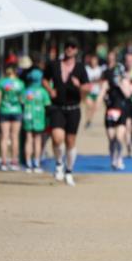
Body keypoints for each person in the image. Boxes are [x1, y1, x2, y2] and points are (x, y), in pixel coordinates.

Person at [43, 38, 90, 185]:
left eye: (72, 46)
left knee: (70, 142)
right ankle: (58, 164)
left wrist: (79, 86)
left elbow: (88, 88)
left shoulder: (80, 68)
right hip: (57, 107)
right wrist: (50, 90)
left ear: (76, 50)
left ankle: (69, 171)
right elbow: (44, 79)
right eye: (67, 46)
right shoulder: (54, 65)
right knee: (57, 138)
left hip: (73, 109)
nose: (69, 48)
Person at [95, 52, 132, 170]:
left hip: (121, 111)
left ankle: (119, 158)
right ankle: (112, 158)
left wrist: (120, 83)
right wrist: (97, 103)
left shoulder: (124, 81)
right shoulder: (107, 82)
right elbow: (101, 92)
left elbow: (128, 94)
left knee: (119, 137)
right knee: (111, 139)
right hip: (110, 111)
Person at [0, 60, 26, 171]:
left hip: (4, 110)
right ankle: (14, 161)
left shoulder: (1, 82)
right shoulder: (20, 83)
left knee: (4, 137)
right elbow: (22, 100)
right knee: (15, 137)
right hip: (17, 111)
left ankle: (3, 162)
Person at [21, 68, 49, 172]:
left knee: (28, 140)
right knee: (38, 140)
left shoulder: (26, 91)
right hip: (39, 118)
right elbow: (47, 104)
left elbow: (22, 102)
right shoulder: (43, 92)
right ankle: (36, 163)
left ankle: (28, 163)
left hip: (27, 116)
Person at [83, 53, 105, 129]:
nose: (93, 62)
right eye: (92, 60)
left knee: (94, 108)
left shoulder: (100, 69)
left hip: (97, 91)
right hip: (89, 91)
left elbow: (102, 80)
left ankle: (89, 120)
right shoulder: (86, 69)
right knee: (89, 105)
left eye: (95, 60)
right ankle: (87, 120)